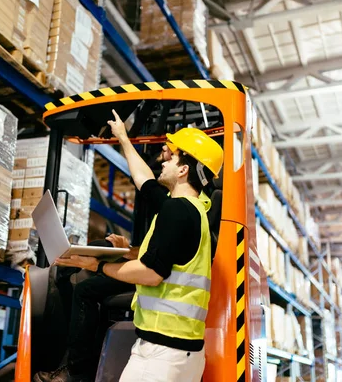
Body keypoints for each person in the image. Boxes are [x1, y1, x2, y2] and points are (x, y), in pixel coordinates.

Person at [54, 109, 224, 382]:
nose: (163, 160)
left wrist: (98, 265)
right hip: (184, 352)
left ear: (183, 170)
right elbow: (144, 182)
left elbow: (150, 273)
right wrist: (122, 138)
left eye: (171, 155)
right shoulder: (191, 211)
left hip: (161, 353)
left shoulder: (177, 211)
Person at [33, 234, 137, 382]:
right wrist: (125, 249)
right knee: (104, 245)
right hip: (147, 267)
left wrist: (127, 251)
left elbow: (155, 255)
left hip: (151, 274)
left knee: (85, 291)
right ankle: (62, 268)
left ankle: (76, 370)